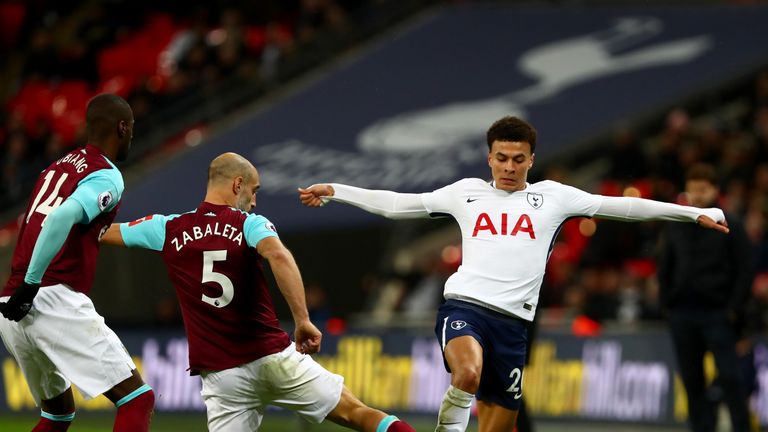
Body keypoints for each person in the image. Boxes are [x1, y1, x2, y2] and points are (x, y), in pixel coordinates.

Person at [298, 116, 730, 432]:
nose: (508, 166)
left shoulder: (554, 198)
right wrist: (338, 191)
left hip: (514, 326)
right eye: (501, 158)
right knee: (465, 374)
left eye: (517, 159)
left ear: (531, 160)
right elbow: (396, 203)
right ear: (489, 158)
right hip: (464, 308)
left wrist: (694, 214)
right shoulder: (465, 193)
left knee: (499, 424)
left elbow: (626, 208)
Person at [100, 152, 415, 432]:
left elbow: (103, 232)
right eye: (254, 191)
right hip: (272, 358)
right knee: (358, 414)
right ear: (238, 184)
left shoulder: (167, 228)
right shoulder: (249, 223)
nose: (254, 201)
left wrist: (71, 214)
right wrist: (302, 319)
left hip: (223, 379)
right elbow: (278, 256)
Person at [0, 94, 154, 432]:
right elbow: (61, 218)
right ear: (122, 127)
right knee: (137, 399)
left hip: (10, 306)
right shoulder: (106, 175)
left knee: (57, 416)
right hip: (47, 296)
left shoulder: (55, 167)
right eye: (131, 130)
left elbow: (36, 222)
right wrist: (31, 283)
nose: (131, 137)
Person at [658, 163, 753, 432]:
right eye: (693, 189)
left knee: (732, 378)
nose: (698, 195)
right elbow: (665, 264)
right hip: (682, 314)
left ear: (715, 190)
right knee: (692, 382)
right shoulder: (676, 224)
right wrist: (668, 303)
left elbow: (744, 270)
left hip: (718, 314)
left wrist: (734, 309)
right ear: (686, 189)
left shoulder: (731, 224)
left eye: (703, 189)